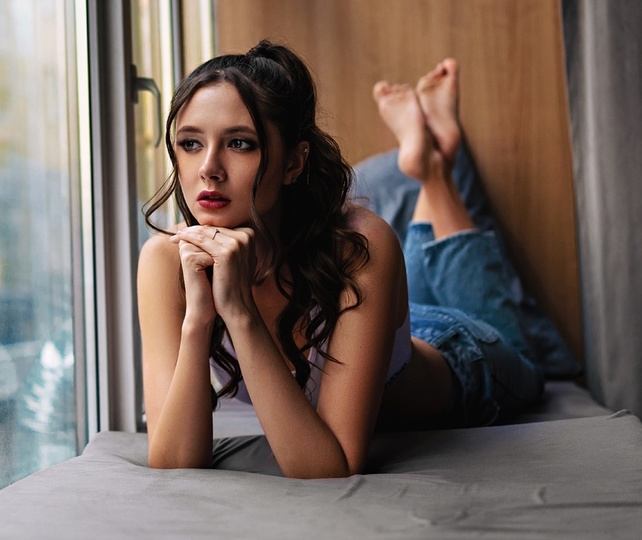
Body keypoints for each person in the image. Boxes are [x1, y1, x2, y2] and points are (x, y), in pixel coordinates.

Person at [137, 41, 544, 478]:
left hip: (459, 357)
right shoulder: (166, 260)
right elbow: (174, 459)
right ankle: (428, 161)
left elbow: (330, 466)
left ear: (294, 162)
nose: (209, 168)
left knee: (525, 354)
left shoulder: (359, 245)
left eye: (240, 143)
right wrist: (199, 318)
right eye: (191, 143)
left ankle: (434, 171)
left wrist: (237, 310)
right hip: (373, 322)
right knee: (412, 289)